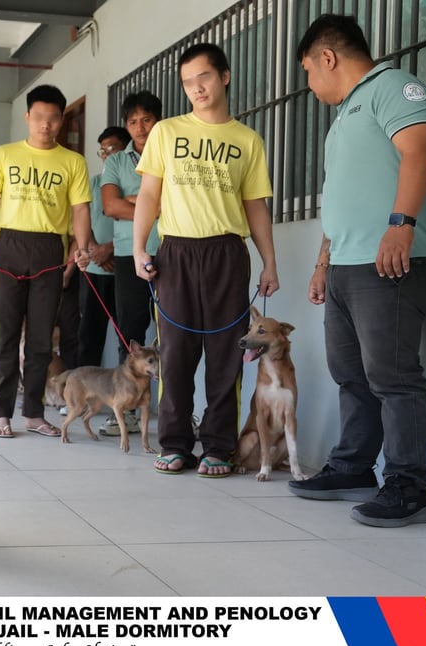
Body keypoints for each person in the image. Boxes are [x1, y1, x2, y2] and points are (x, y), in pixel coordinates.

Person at [287, 15, 426, 527]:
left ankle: (409, 487)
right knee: (352, 377)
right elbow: (342, 198)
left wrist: (401, 224)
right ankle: (353, 467)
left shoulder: (394, 87)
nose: (310, 85)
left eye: (308, 71)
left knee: (393, 378)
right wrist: (322, 263)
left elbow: (420, 149)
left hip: (390, 261)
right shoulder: (344, 118)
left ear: (327, 58)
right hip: (345, 267)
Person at [132, 43, 279, 477]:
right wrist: (140, 248)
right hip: (176, 252)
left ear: (224, 77)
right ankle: (175, 443)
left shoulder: (247, 140)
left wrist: (269, 262)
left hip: (227, 254)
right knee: (175, 354)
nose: (196, 88)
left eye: (204, 77)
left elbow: (255, 206)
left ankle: (218, 446)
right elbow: (149, 195)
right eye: (187, 82)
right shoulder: (166, 132)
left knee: (226, 355)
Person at [0, 85, 94, 438]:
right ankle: (2, 414)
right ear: (27, 117)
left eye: (53, 118)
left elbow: (80, 210)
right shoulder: (3, 155)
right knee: (4, 336)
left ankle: (34, 414)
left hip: (49, 249)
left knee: (40, 339)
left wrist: (81, 248)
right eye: (39, 117)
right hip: (8, 246)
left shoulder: (73, 162)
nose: (45, 125)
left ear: (61, 120)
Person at [100, 92, 165, 437]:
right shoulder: (116, 162)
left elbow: (177, 202)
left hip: (170, 250)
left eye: (147, 120)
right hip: (129, 254)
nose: (140, 127)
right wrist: (153, 204)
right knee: (130, 333)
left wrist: (133, 200)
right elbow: (110, 206)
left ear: (158, 121)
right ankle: (124, 410)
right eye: (133, 121)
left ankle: (174, 412)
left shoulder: (170, 152)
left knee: (173, 334)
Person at [79, 126, 128, 368]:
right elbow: (81, 218)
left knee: (127, 335)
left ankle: (128, 388)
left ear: (125, 150)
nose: (106, 155)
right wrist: (95, 250)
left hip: (124, 268)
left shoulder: (134, 182)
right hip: (94, 269)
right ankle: (83, 387)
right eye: (102, 151)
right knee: (89, 335)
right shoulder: (93, 183)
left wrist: (110, 248)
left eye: (112, 149)